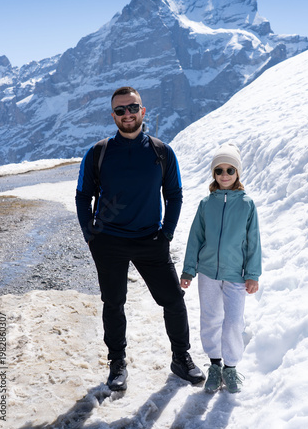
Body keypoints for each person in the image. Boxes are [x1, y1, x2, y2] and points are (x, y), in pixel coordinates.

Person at [75, 86, 205, 391]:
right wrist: (90, 236)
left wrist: (167, 233)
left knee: (173, 299)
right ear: (113, 116)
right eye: (120, 110)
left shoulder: (161, 151)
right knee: (114, 302)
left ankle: (180, 357)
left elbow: (174, 195)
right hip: (108, 241)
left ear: (142, 111)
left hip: (151, 240)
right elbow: (83, 196)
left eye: (132, 108)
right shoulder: (99, 152)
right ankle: (117, 362)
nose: (127, 114)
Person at [180, 142, 261, 394]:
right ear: (213, 174)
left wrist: (253, 274)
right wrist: (188, 269)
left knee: (234, 321)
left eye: (230, 170)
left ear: (238, 173)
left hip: (236, 274)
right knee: (211, 318)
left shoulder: (247, 205)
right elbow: (195, 238)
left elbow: (254, 242)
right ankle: (215, 365)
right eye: (219, 170)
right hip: (207, 274)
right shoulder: (206, 204)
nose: (224, 175)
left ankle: (231, 367)